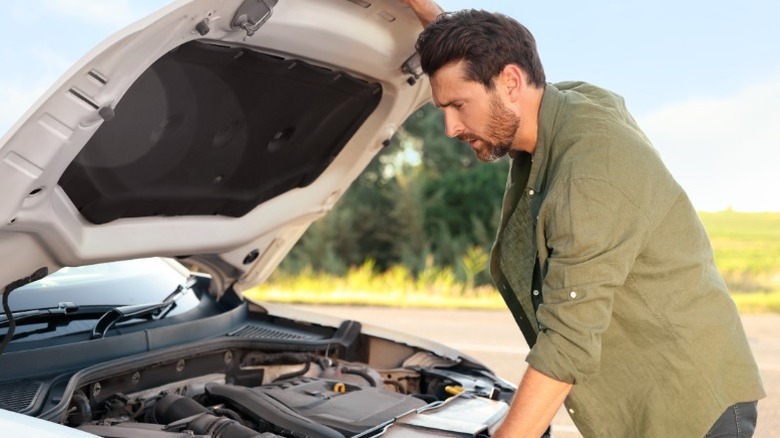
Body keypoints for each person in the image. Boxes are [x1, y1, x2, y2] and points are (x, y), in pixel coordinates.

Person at [399, 1, 766, 437]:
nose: (450, 128)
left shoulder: (593, 171)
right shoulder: (562, 107)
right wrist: (427, 13)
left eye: (458, 105)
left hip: (688, 410)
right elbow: (478, 54)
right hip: (643, 397)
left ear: (511, 82)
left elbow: (567, 341)